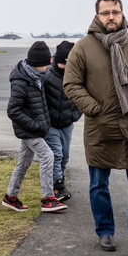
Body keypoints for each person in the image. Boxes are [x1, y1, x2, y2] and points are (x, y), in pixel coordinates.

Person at [63, 0, 128, 256]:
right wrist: (94, 108)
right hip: (100, 127)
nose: (111, 17)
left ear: (122, 13)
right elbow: (71, 84)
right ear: (97, 16)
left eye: (115, 11)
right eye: (105, 13)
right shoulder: (83, 47)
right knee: (98, 184)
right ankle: (105, 231)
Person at [2, 42, 67, 213]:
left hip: (35, 129)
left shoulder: (36, 77)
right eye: (47, 63)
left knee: (23, 163)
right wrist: (35, 125)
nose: (49, 66)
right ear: (38, 63)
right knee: (48, 156)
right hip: (30, 131)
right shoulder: (21, 81)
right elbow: (13, 110)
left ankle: (11, 196)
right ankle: (48, 198)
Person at [43, 40, 80, 202]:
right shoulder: (47, 76)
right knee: (56, 154)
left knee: (64, 155)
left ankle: (59, 179)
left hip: (67, 123)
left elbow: (81, 97)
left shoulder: (77, 76)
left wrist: (74, 115)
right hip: (51, 124)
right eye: (61, 63)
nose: (64, 67)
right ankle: (58, 187)